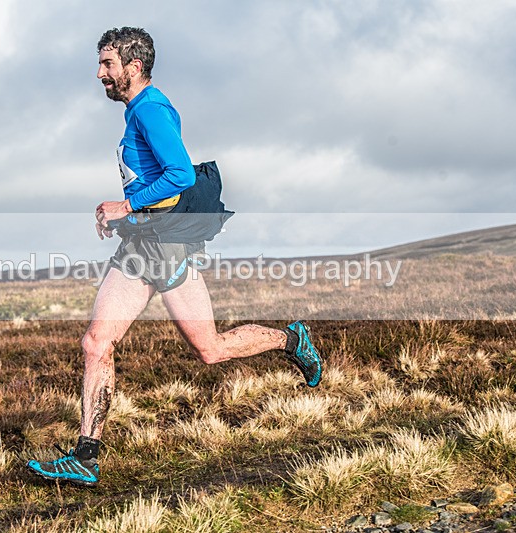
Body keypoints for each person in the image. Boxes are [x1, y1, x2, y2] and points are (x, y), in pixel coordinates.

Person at [26, 27, 322, 487]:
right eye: (101, 63)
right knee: (96, 343)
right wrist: (124, 215)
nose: (100, 73)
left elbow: (180, 174)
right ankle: (85, 455)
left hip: (165, 248)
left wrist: (125, 205)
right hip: (140, 246)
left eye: (108, 64)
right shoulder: (136, 112)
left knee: (211, 350)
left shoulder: (151, 109)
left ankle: (290, 340)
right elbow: (155, 184)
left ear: (133, 67)